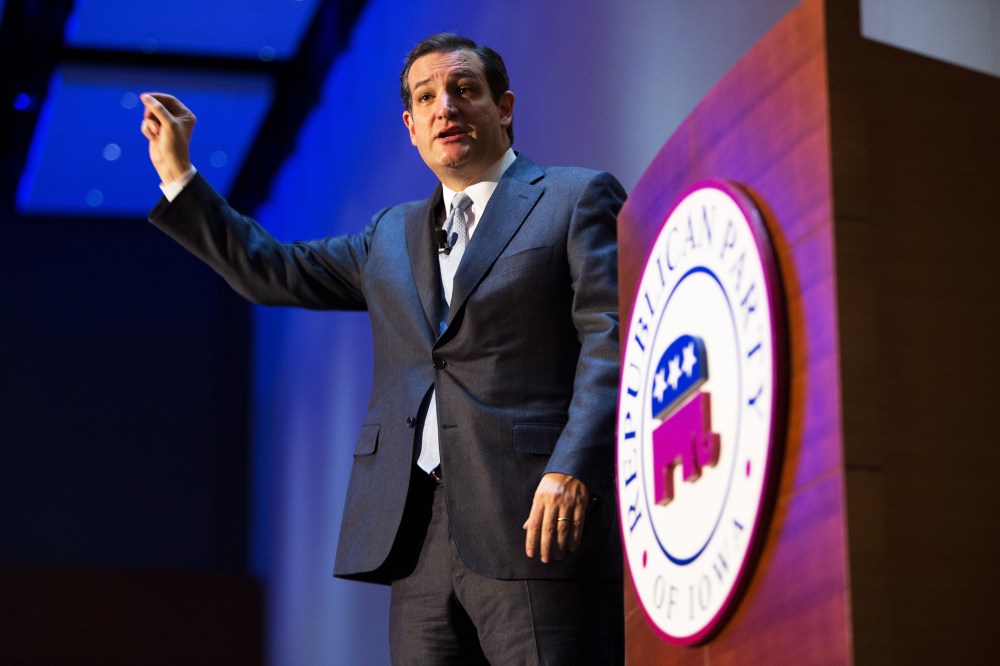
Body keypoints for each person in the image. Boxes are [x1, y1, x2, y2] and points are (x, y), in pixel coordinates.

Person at [140, 33, 625, 665]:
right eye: (426, 98)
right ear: (411, 127)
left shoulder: (573, 198)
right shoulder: (390, 236)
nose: (444, 107)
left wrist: (572, 467)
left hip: (535, 519)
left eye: (463, 89)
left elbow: (609, 338)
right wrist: (178, 174)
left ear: (503, 107)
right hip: (416, 539)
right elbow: (271, 270)